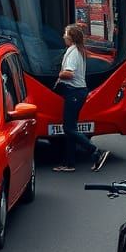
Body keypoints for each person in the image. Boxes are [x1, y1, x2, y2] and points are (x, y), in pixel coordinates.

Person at [53, 24, 109, 173]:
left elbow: (69, 73)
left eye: (65, 34)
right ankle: (69, 163)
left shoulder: (73, 53)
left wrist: (59, 74)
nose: (63, 36)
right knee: (71, 128)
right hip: (77, 92)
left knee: (69, 128)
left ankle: (95, 151)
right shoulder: (77, 51)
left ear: (71, 38)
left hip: (74, 93)